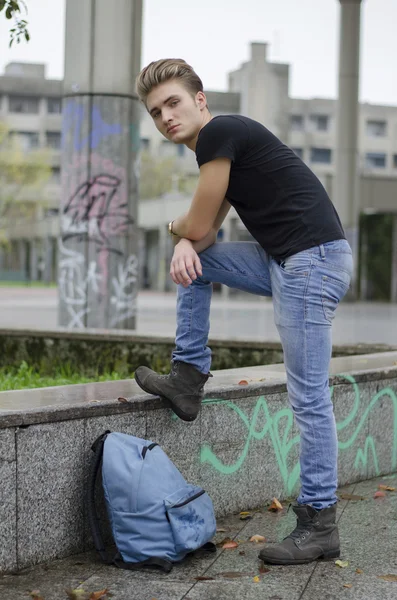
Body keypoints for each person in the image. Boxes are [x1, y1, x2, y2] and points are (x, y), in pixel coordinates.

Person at [134, 59, 353, 566]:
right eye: (155, 111)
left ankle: (320, 522)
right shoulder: (223, 150)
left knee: (308, 396)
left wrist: (176, 230)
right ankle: (188, 376)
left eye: (174, 103)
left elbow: (194, 220)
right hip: (290, 260)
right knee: (199, 261)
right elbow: (206, 232)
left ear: (200, 100)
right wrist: (188, 242)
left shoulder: (219, 134)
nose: (166, 116)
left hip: (310, 262)